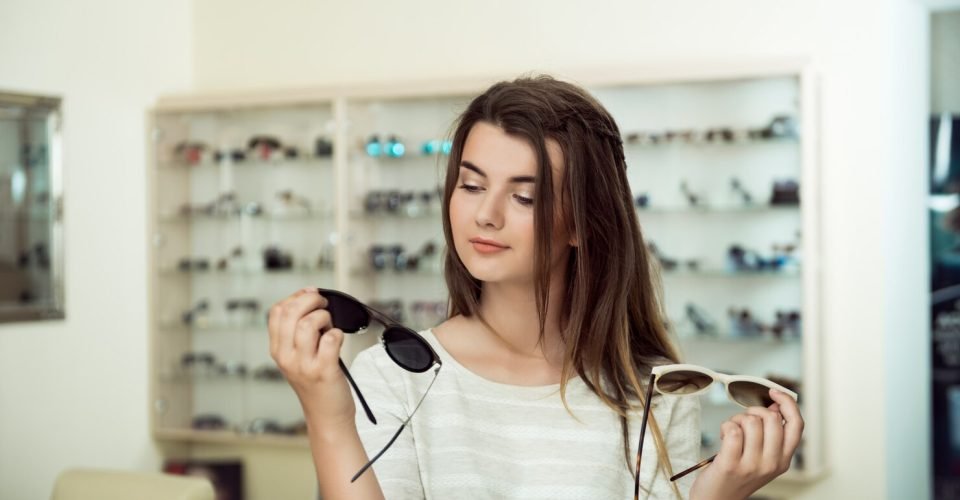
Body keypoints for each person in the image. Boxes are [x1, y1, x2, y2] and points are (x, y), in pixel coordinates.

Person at [268, 75, 804, 499]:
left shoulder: (655, 393)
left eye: (525, 197)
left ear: (580, 223)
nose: (486, 215)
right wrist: (327, 416)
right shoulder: (392, 377)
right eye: (471, 185)